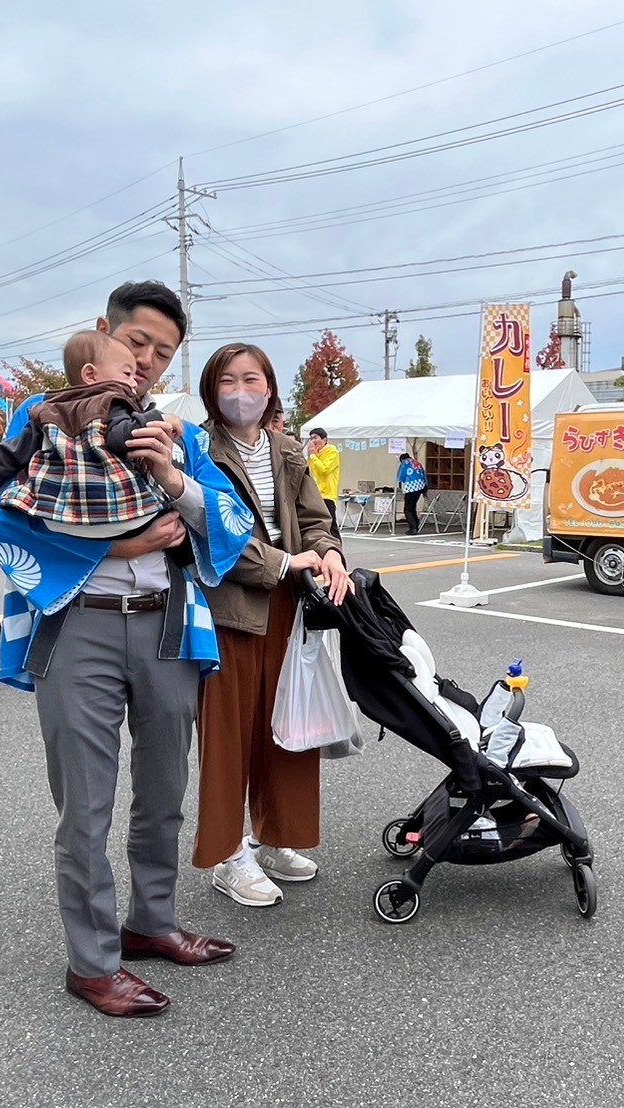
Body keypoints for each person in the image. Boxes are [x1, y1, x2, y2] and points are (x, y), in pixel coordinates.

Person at [0, 280, 252, 1019]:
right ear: (103, 335)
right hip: (81, 625)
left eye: (162, 354)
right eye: (136, 343)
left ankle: (152, 923)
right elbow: (5, 523)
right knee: (86, 804)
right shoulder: (47, 416)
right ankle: (93, 963)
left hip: (168, 621)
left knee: (165, 789)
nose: (145, 362)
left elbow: (229, 523)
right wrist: (127, 541)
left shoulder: (180, 434)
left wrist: (172, 478)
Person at [195, 343, 348, 909]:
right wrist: (284, 562)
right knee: (228, 732)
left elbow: (314, 519)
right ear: (213, 390)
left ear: (269, 387)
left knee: (288, 723)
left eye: (251, 379)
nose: (241, 391)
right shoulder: (199, 451)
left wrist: (328, 553)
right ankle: (229, 855)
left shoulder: (287, 449)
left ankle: (276, 836)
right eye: (228, 380)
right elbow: (211, 534)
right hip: (227, 608)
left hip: (286, 605)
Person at [0, 330, 169, 538]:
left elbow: (14, 451)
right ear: (90, 375)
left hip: (55, 515)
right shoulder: (111, 401)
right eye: (127, 374)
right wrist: (156, 418)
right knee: (171, 519)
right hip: (116, 512)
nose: (134, 383)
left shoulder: (47, 408)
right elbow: (122, 438)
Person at [305, 427, 341, 529]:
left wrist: (313, 456)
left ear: (324, 440)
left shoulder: (332, 451)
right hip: (315, 494)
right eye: (311, 439)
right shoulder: (315, 454)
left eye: (315, 438)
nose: (313, 441)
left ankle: (336, 543)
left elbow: (324, 469)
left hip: (327, 495)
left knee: (331, 525)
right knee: (319, 526)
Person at [396, 451, 429, 535]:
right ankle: (416, 523)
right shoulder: (417, 462)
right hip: (421, 486)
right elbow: (424, 475)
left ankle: (413, 527)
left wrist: (402, 482)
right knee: (412, 506)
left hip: (411, 487)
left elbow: (401, 476)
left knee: (407, 508)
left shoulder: (405, 463)